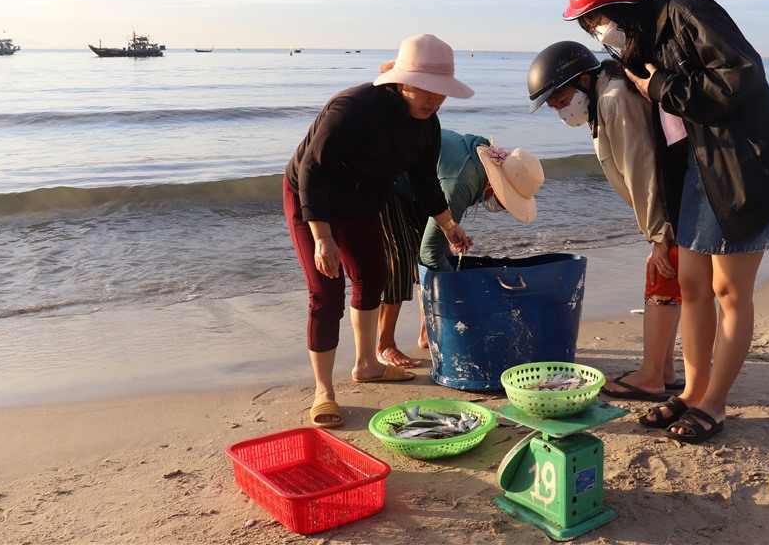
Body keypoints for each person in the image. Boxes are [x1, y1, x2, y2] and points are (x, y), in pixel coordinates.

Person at [563, 0, 769, 443]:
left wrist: (662, 87)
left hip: (740, 168)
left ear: (620, 5)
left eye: (596, 19)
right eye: (588, 26)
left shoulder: (686, 12)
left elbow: (743, 72)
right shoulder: (638, 45)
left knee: (730, 293)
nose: (596, 31)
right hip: (696, 173)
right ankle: (692, 392)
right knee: (691, 286)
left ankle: (715, 403)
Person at [283, 34, 475, 429]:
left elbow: (425, 183)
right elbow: (311, 171)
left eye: (442, 92)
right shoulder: (352, 108)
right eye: (428, 89)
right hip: (311, 199)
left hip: (362, 200)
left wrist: (449, 225)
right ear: (402, 79)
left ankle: (367, 364)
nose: (435, 99)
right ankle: (324, 391)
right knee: (326, 291)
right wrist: (322, 238)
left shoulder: (428, 125)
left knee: (374, 275)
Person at [528, 40, 686, 402]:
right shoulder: (605, 97)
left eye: (560, 99)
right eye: (553, 106)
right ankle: (663, 371)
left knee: (660, 279)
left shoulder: (614, 100)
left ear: (583, 80)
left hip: (670, 208)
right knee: (669, 279)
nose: (560, 110)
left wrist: (658, 232)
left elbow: (641, 166)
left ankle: (651, 377)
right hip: (671, 205)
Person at [377, 127, 545, 367]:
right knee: (402, 259)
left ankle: (428, 334)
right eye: (507, 202)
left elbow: (441, 227)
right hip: (384, 176)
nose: (505, 208)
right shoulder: (463, 182)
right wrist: (460, 295)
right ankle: (385, 346)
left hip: (418, 184)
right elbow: (429, 254)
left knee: (439, 250)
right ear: (495, 186)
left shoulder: (481, 167)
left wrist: (450, 237)